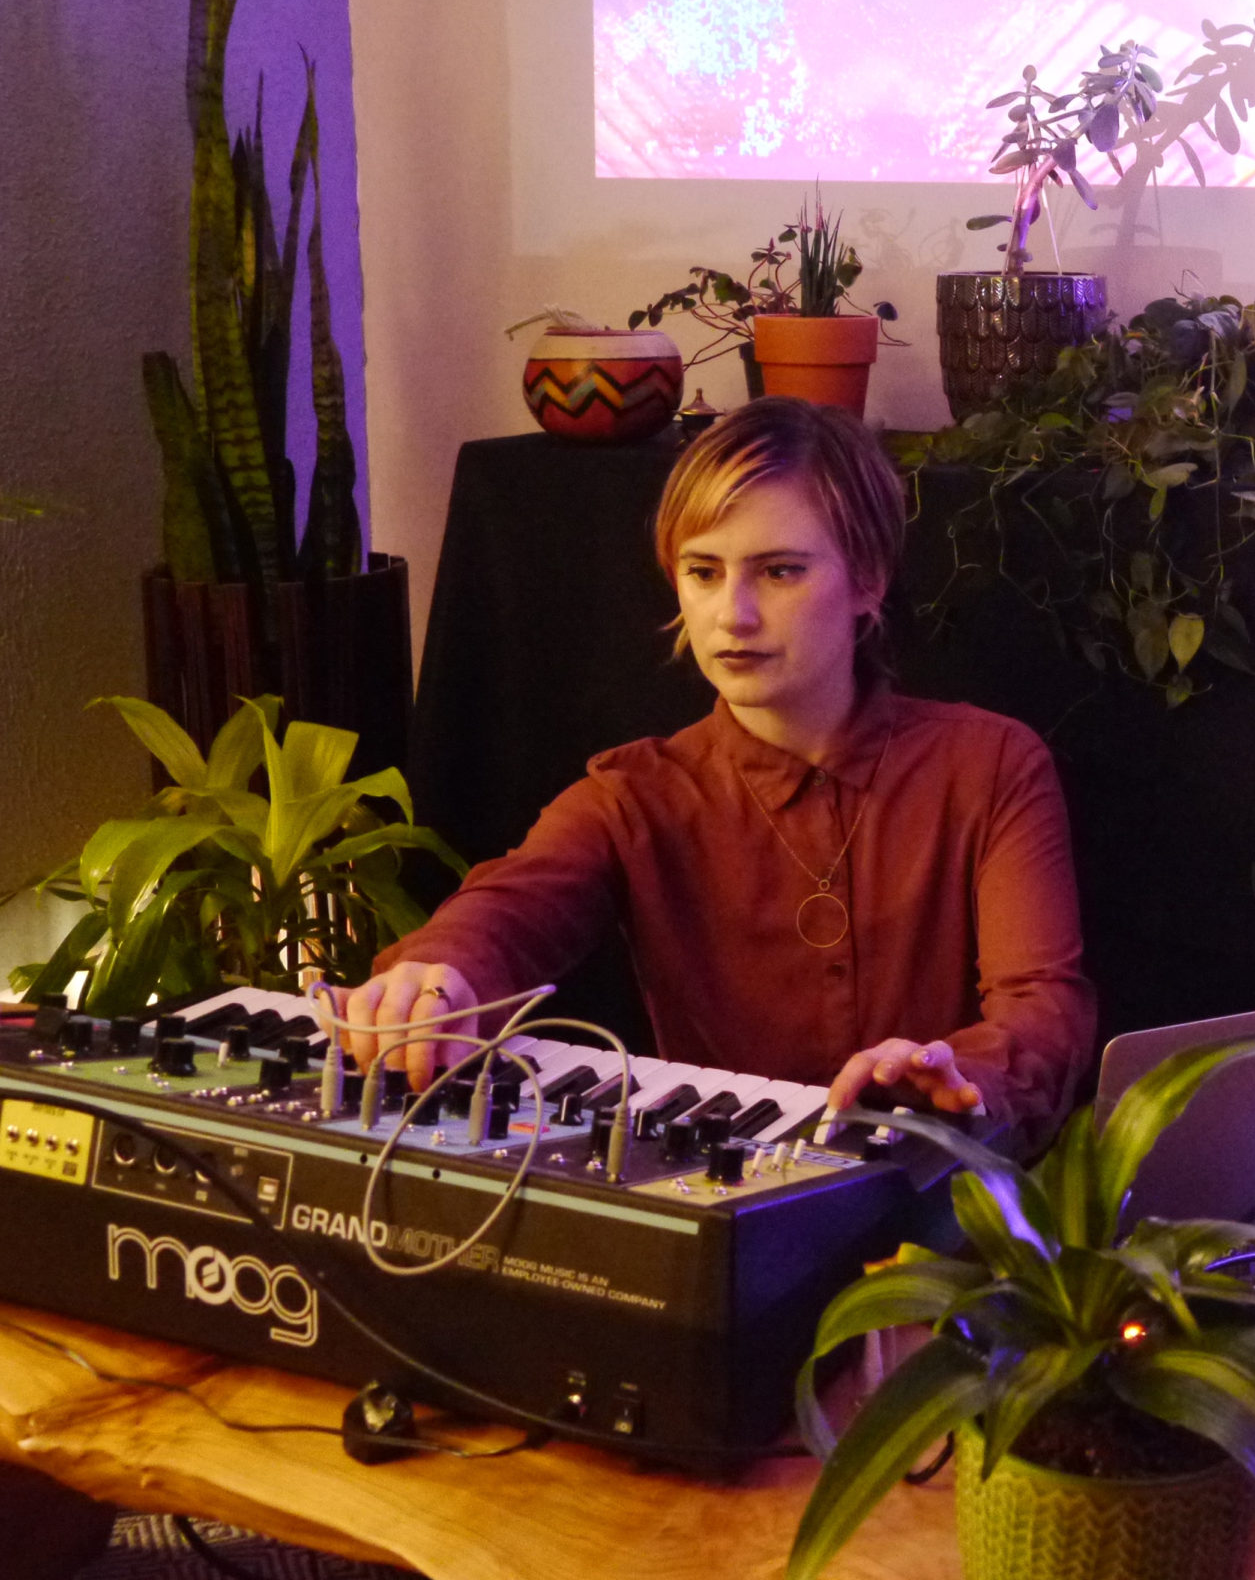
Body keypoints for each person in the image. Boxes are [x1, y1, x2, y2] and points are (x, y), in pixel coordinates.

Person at [339, 396, 1093, 1153]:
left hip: (940, 1218)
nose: (732, 614)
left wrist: (955, 1074)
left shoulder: (989, 765)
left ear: (868, 580)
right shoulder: (634, 796)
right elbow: (510, 907)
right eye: (704, 571)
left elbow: (1042, 1009)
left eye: (780, 571)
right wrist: (437, 975)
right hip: (718, 1211)